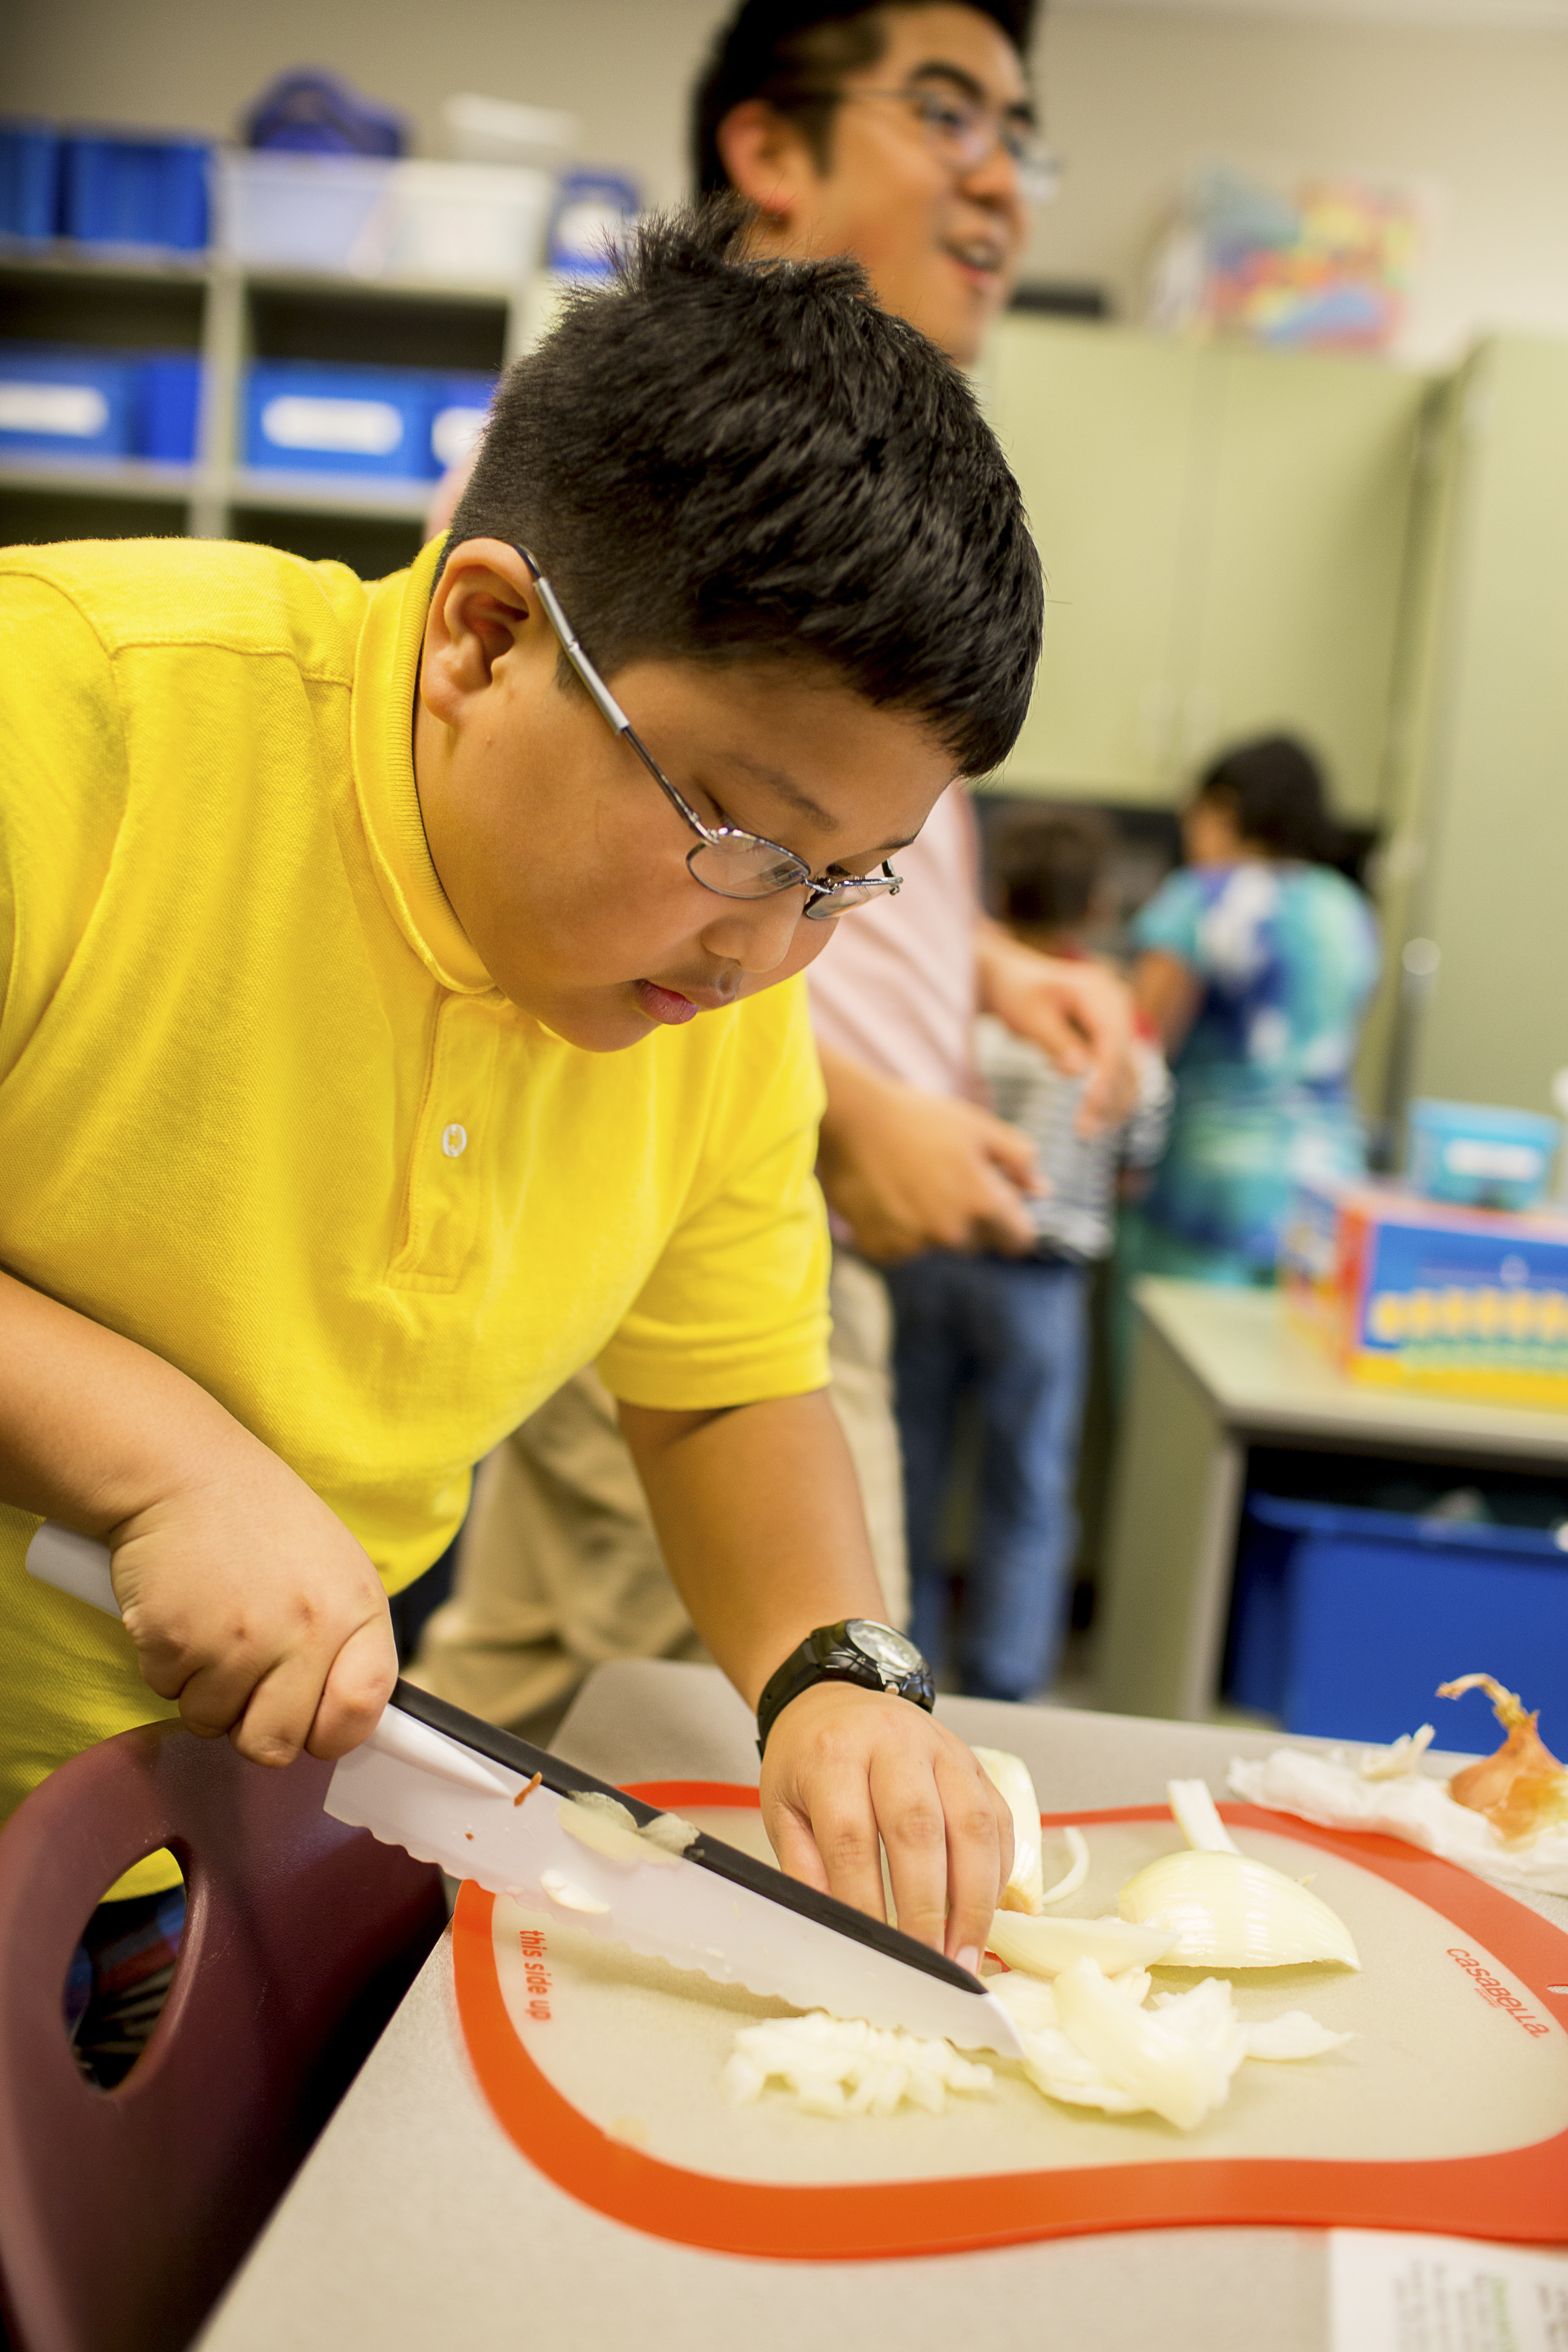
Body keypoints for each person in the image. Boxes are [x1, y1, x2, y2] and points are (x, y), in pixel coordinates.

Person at [0, 209, 1046, 1967]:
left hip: (207, 1861)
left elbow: (722, 1391)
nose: (773, 954)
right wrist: (158, 1460)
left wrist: (833, 1674)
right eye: (741, 835)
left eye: (849, 877)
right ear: (485, 641)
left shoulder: (725, 985)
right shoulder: (77, 714)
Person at [412, 0, 1138, 1735]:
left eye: (1023, 136)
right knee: (716, 1745)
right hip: (662, 1172)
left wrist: (981, 970)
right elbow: (522, 846)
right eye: (948, 114)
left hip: (716, 1204)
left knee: (529, 1683)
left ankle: (349, 1953)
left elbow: (803, 842)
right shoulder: (612, 480)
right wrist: (849, 1110)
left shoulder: (903, 542)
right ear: (769, 148)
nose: (1003, 185)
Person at [889, 805, 1171, 1701]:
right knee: (1029, 1491)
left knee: (907, 1479)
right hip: (1041, 1285)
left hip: (928, 1259)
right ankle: (1009, 1679)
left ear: (996, 893)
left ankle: (903, 1661)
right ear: (1096, 906)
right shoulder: (1107, 1020)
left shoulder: (955, 1004)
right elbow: (1139, 1149)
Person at [1123, 733, 1380, 1294]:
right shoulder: (1347, 908)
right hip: (1327, 1193)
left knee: (1169, 1379)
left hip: (1211, 1191)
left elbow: (1141, 1047)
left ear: (1226, 810)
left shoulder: (1199, 897)